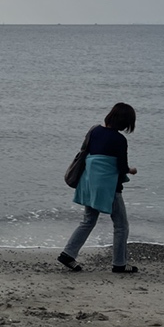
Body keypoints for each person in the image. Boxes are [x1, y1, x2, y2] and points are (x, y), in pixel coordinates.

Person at [58, 102, 139, 274]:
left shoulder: (94, 131)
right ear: (125, 123)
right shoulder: (120, 140)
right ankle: (119, 264)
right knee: (121, 225)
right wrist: (131, 170)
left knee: (88, 221)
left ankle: (68, 254)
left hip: (90, 183)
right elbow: (122, 167)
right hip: (109, 188)